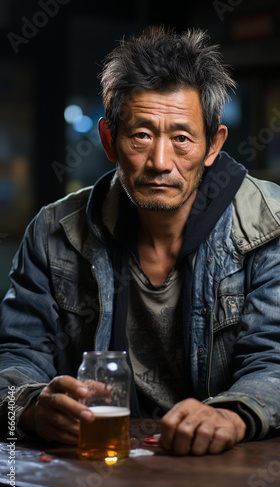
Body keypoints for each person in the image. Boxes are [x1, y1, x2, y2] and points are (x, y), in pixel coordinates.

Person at [1, 27, 280, 457]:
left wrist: (234, 413)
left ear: (213, 145)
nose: (160, 162)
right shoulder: (53, 232)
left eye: (182, 139)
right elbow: (15, 353)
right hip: (100, 462)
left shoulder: (270, 225)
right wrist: (30, 406)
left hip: (228, 467)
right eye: (141, 135)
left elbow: (273, 359)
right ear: (110, 140)